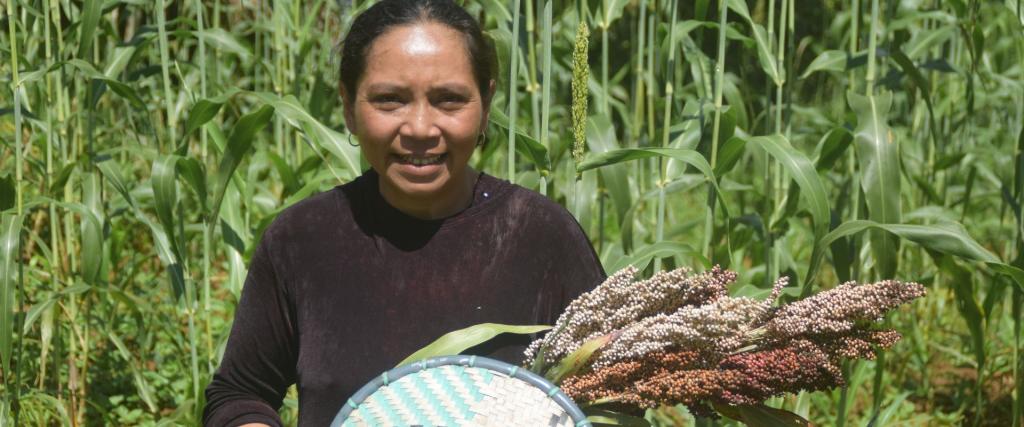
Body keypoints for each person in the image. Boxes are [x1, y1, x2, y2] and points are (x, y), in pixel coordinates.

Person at [202, 1, 605, 425]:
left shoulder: (542, 237)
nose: (419, 129)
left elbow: (612, 398)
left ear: (485, 104)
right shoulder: (302, 239)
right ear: (347, 106)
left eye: (449, 100)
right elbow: (240, 393)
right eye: (389, 100)